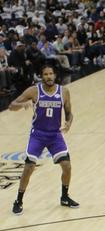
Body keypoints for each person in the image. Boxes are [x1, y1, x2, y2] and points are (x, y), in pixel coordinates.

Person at [9, 64, 77, 215]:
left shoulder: (64, 91)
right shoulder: (34, 91)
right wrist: (23, 104)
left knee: (67, 166)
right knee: (29, 167)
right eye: (45, 74)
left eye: (51, 74)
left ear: (55, 75)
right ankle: (18, 200)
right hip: (38, 135)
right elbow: (11, 106)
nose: (49, 76)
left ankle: (64, 197)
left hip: (55, 135)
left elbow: (69, 113)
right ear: (41, 77)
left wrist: (68, 123)